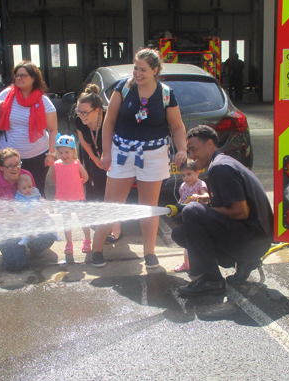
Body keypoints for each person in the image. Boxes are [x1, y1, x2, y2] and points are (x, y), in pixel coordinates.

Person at [90, 48, 188, 268]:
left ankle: (149, 252)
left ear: (155, 70)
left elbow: (177, 126)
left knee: (148, 206)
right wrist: (106, 153)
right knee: (112, 204)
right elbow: (109, 122)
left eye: (143, 69)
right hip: (122, 153)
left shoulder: (165, 94)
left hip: (154, 155)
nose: (137, 73)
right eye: (136, 68)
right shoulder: (123, 87)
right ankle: (96, 249)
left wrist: (182, 148)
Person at [172, 125, 274, 296]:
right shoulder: (223, 163)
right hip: (256, 239)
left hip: (253, 242)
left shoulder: (220, 168)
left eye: (193, 149)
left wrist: (198, 210)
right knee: (181, 230)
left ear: (210, 144)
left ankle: (212, 279)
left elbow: (241, 212)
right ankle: (245, 263)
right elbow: (228, 208)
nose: (191, 156)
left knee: (192, 212)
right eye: (189, 151)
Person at [0, 61, 58, 194]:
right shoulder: (7, 94)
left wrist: (51, 154)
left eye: (23, 75)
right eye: (17, 75)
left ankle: (36, 215)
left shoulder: (43, 101)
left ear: (33, 78)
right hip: (10, 158)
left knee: (35, 191)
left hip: (37, 156)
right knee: (11, 192)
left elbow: (53, 130)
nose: (19, 78)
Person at [0, 148, 57, 272]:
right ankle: (11, 249)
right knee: (17, 264)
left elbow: (35, 197)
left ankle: (33, 248)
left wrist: (44, 206)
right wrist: (25, 217)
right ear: (1, 167)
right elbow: (0, 215)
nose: (16, 169)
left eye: (18, 164)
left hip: (29, 222)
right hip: (7, 227)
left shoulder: (26, 175)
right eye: (10, 166)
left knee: (49, 234)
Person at [74, 84, 121, 243]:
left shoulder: (110, 117)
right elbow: (83, 141)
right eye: (79, 112)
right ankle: (103, 226)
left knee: (115, 192)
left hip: (114, 156)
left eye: (86, 112)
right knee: (98, 188)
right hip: (95, 156)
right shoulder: (79, 120)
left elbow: (119, 141)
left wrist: (108, 158)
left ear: (98, 110)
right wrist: (95, 159)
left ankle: (117, 226)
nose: (82, 116)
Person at [49, 134, 90, 264]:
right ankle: (69, 243)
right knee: (66, 222)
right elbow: (54, 179)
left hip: (77, 197)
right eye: (61, 152)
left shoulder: (77, 164)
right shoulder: (56, 165)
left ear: (73, 152)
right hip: (63, 199)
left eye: (67, 152)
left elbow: (86, 177)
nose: (64, 155)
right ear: (57, 153)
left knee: (83, 219)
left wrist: (77, 184)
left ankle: (88, 240)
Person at [173, 159, 209, 273]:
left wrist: (197, 196)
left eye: (189, 174)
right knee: (187, 241)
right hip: (187, 218)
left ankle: (202, 263)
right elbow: (182, 200)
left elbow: (207, 196)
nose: (186, 178)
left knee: (197, 241)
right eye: (183, 175)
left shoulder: (200, 184)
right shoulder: (183, 186)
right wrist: (177, 208)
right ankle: (186, 263)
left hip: (199, 218)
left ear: (197, 172)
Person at [15, 173, 62, 246]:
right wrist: (21, 214)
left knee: (50, 220)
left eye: (29, 186)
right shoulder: (19, 196)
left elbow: (40, 198)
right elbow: (17, 206)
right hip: (28, 216)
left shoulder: (35, 191)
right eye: (24, 188)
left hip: (40, 214)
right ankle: (24, 238)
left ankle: (54, 234)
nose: (27, 190)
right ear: (19, 188)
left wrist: (46, 203)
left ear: (32, 184)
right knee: (23, 225)